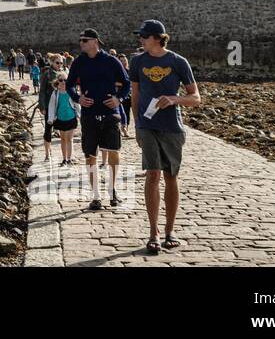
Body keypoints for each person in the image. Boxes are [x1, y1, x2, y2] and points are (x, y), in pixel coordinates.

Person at [129, 19, 201, 254]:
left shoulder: (178, 62)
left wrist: (174, 99)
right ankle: (153, 233)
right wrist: (137, 125)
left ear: (158, 38)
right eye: (140, 35)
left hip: (171, 127)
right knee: (152, 174)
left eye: (144, 36)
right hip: (147, 127)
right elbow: (135, 95)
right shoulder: (137, 61)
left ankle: (170, 230)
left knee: (171, 176)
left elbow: (196, 98)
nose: (140, 39)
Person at [66, 28, 130, 210]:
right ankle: (96, 196)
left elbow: (126, 84)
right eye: (80, 39)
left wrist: (119, 98)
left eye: (84, 40)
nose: (81, 43)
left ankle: (112, 190)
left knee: (113, 152)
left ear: (95, 41)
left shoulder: (111, 61)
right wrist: (78, 98)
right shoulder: (79, 62)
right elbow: (70, 85)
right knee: (90, 155)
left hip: (111, 114)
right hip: (89, 115)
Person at [48, 71, 79, 165]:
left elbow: (77, 104)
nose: (63, 82)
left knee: (69, 139)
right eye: (61, 80)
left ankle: (69, 159)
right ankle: (64, 159)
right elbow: (52, 106)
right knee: (63, 139)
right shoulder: (55, 93)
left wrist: (80, 115)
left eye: (65, 80)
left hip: (71, 118)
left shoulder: (71, 91)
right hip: (60, 119)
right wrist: (50, 118)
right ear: (57, 81)